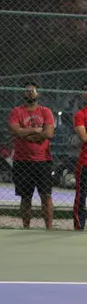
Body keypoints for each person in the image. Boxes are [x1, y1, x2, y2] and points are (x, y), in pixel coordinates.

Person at [8, 81, 55, 230]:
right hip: (22, 161)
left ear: (38, 93)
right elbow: (16, 131)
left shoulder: (46, 111)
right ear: (24, 93)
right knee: (25, 197)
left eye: (33, 90)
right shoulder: (16, 111)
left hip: (43, 161)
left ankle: (49, 227)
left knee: (46, 196)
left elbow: (49, 133)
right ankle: (26, 227)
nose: (30, 93)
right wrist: (36, 131)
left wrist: (26, 132)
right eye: (27, 91)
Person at [72, 82, 87, 231]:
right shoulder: (80, 114)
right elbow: (84, 137)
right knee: (81, 196)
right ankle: (79, 225)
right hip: (85, 162)